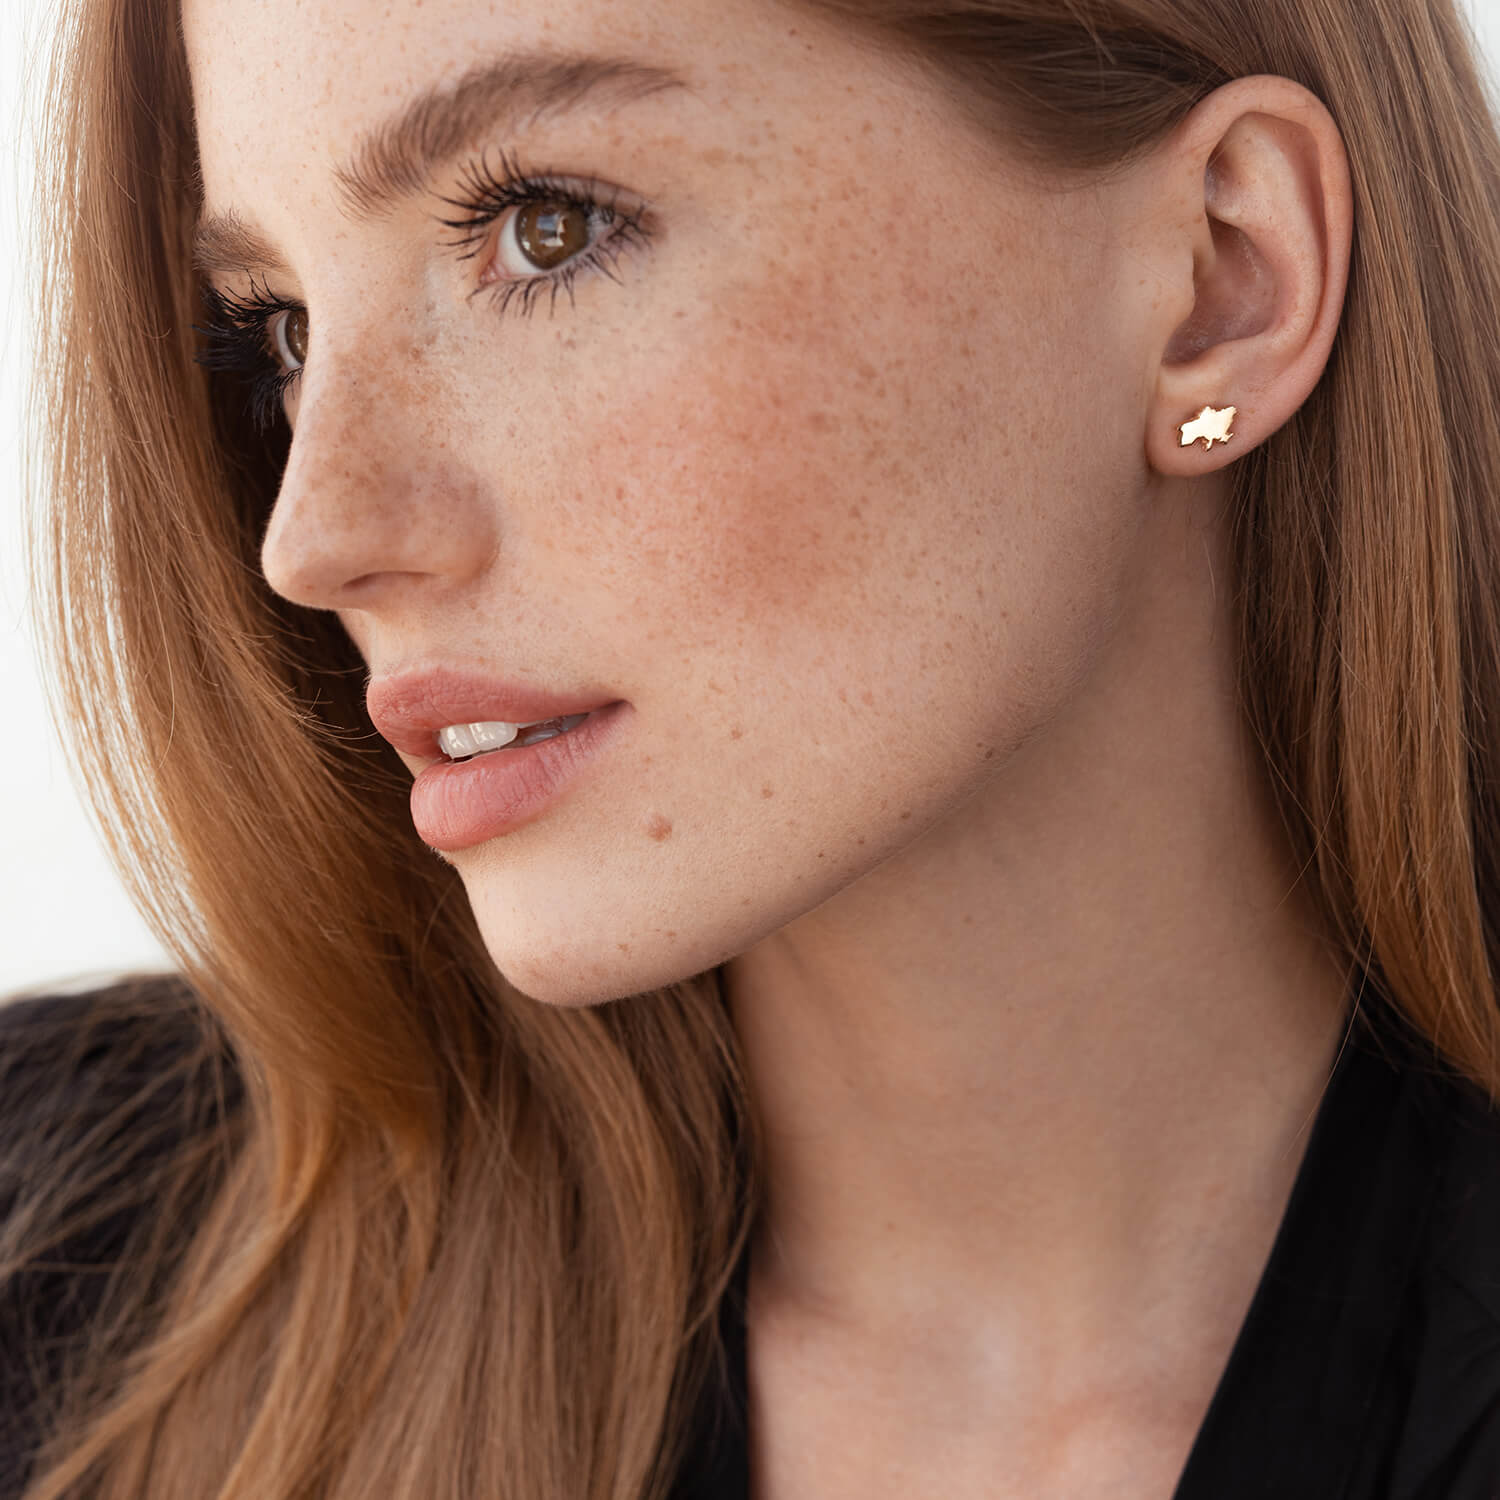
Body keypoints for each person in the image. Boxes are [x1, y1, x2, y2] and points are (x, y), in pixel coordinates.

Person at [3, 0, 1500, 1494]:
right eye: (278, 326)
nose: (314, 535)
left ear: (1222, 282)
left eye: (545, 230)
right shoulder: (53, 1287)